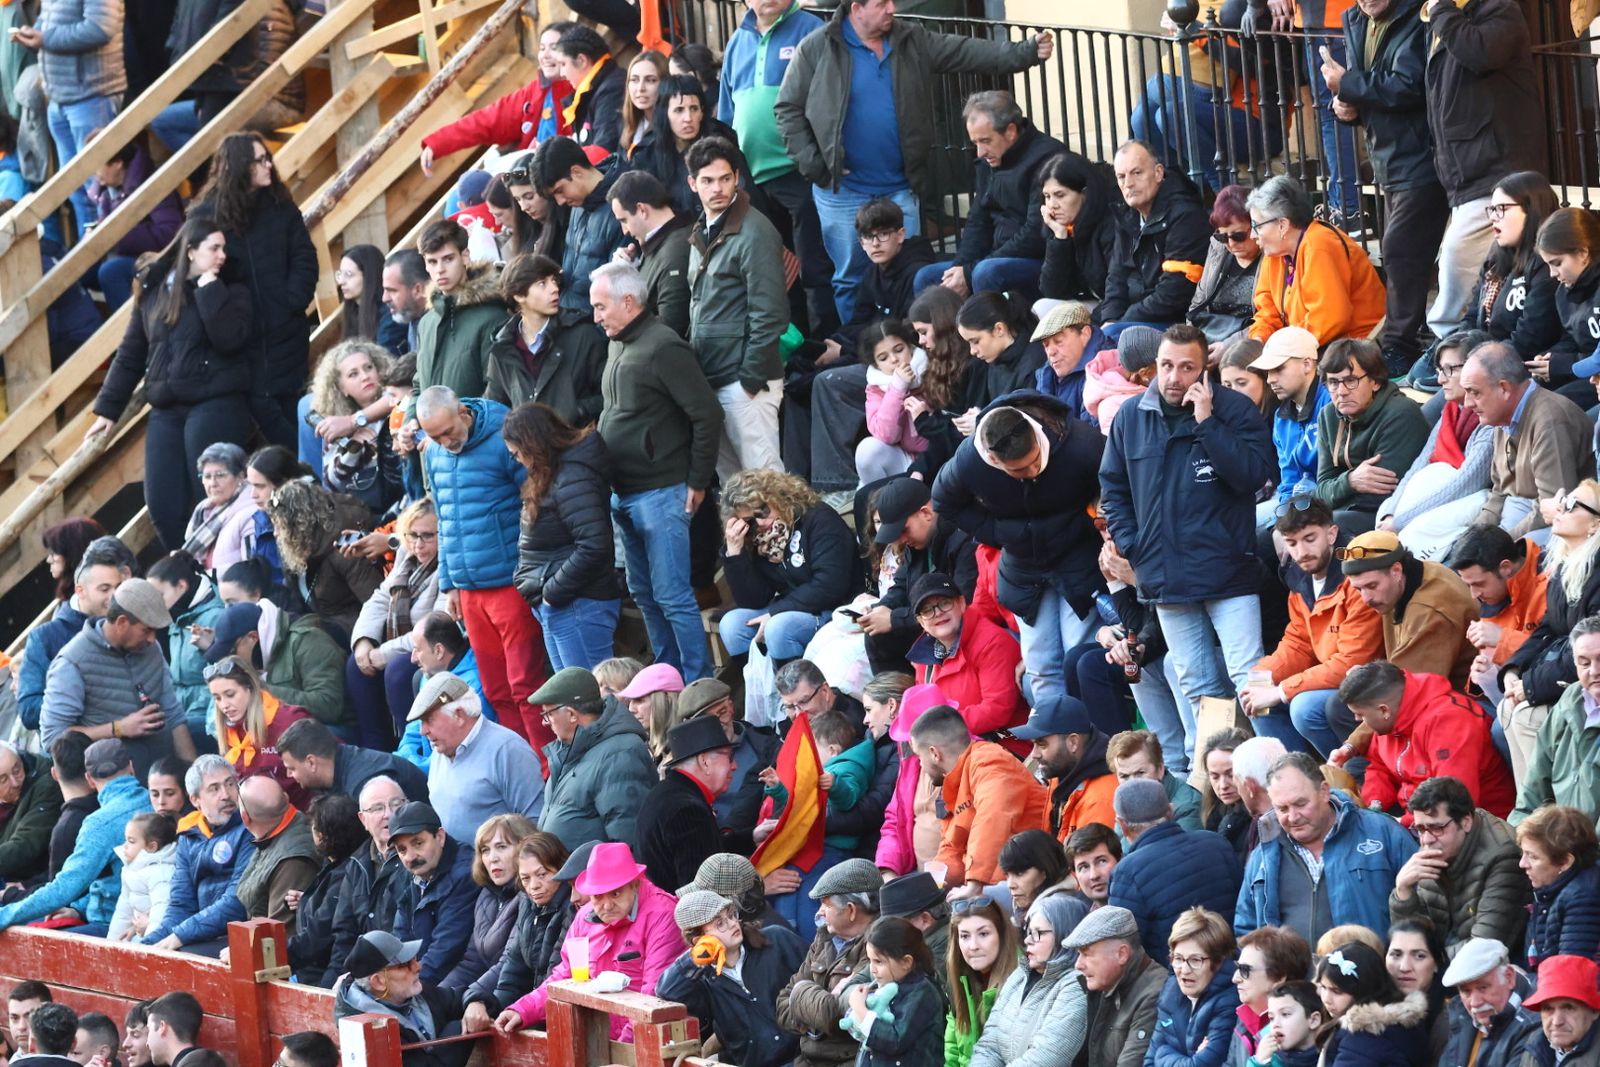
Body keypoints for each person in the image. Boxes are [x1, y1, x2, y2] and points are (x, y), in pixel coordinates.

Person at [772, 0, 1053, 320]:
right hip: (843, 191)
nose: (892, 8)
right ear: (856, 8)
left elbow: (965, 51)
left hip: (901, 185)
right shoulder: (818, 47)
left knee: (910, 273)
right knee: (851, 279)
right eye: (881, 4)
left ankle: (910, 349)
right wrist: (815, 165)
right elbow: (786, 109)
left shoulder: (912, 40)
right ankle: (859, 353)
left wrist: (1024, 53)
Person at [1099, 324, 1276, 748]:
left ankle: (1274, 767)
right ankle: (1224, 783)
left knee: (1249, 677)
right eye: (1166, 366)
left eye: (1186, 368)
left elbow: (1253, 475)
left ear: (1205, 369)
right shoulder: (1131, 415)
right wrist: (1133, 545)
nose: (1175, 377)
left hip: (1227, 571)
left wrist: (1207, 424)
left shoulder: (1232, 410)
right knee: (1197, 683)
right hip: (1166, 577)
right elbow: (1113, 487)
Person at [932, 391, 1104, 717]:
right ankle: (1056, 742)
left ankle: (1087, 739)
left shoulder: (1080, 442)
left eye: (1035, 459)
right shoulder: (971, 459)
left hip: (1077, 558)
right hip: (1023, 568)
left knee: (1077, 655)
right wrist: (996, 533)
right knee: (1040, 664)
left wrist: (1094, 520)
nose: (1033, 470)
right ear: (995, 461)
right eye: (1020, 470)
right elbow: (944, 500)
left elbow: (1115, 480)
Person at [87, 216, 253, 550]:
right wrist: (107, 409)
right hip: (165, 405)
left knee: (206, 492)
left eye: (224, 248)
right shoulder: (154, 292)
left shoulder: (232, 288)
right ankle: (187, 572)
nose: (222, 255)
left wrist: (208, 290)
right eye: (214, 248)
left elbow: (230, 340)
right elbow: (131, 354)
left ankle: (218, 569)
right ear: (190, 251)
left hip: (214, 399)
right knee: (161, 501)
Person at [591, 262, 722, 681]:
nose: (596, 316)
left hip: (662, 491)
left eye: (601, 307)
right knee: (645, 596)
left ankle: (700, 683)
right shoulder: (618, 342)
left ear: (628, 302)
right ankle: (669, 677)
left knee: (672, 596)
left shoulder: (664, 346)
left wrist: (698, 479)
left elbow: (706, 414)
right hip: (624, 492)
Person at [416, 387, 549, 751]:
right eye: (433, 437)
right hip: (470, 591)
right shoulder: (435, 454)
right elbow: (445, 520)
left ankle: (549, 769)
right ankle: (521, 763)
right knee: (494, 689)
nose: (444, 442)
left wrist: (530, 568)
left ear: (462, 411)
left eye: (447, 431)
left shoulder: (504, 435)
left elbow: (537, 500)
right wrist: (450, 584)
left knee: (527, 685)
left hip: (509, 583)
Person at [1325, 0, 1444, 371]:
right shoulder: (1356, 18)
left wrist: (1349, 84)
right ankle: (1407, 336)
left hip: (1423, 153)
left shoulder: (1419, 15)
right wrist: (1346, 106)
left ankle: (1400, 344)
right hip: (1386, 157)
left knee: (1400, 250)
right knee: (1402, 251)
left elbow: (1410, 85)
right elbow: (1369, 87)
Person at [1421, 0, 1546, 346]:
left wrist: (1441, 11)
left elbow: (1481, 53)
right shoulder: (1440, 20)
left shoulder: (1499, 8)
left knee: (1456, 258)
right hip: (1466, 173)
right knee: (1483, 267)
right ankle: (1465, 343)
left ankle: (1449, 344)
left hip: (1498, 167)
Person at [186, 135, 317, 450]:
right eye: (260, 160)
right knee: (262, 414)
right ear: (240, 166)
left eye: (267, 157)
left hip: (286, 331)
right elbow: (194, 268)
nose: (268, 165)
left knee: (292, 405)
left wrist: (292, 300)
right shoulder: (205, 214)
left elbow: (304, 256)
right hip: (239, 339)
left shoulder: (280, 206)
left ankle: (306, 478)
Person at [717, 0, 832, 335]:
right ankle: (796, 345)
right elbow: (726, 115)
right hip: (752, 176)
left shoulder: (811, 29)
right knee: (778, 270)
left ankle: (824, 342)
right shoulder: (737, 41)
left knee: (814, 266)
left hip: (800, 171)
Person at [1240, 497, 1383, 756]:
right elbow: (1298, 642)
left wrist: (1283, 690)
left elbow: (1352, 661)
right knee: (1257, 699)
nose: (1301, 552)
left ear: (1331, 534)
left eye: (1309, 538)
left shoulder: (1357, 578)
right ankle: (1293, 781)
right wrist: (1263, 677)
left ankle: (1347, 778)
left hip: (1366, 679)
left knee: (1303, 707)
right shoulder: (1298, 579)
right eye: (1292, 543)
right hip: (1330, 677)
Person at [494, 842, 681, 1040]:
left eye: (616, 893)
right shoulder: (584, 917)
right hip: (597, 1037)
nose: (607, 905)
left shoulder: (662, 914)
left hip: (645, 1043)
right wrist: (522, 1010)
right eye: (598, 896)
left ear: (634, 885)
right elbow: (564, 976)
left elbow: (654, 996)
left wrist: (623, 1051)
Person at [681, 137, 788, 481]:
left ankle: (788, 538)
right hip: (713, 378)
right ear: (692, 183)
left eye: (725, 178)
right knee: (736, 490)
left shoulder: (754, 231)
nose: (718, 188)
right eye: (708, 180)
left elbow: (770, 312)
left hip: (745, 382)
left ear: (737, 177)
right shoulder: (702, 229)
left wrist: (750, 379)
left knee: (767, 486)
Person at [1235, 752, 1418, 942]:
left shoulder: (1382, 833)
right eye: (1282, 809)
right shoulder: (1263, 856)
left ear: (1324, 791)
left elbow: (1423, 904)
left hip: (1374, 969)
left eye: (1300, 803)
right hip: (1292, 972)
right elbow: (1246, 930)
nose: (1293, 816)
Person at [40, 578, 198, 780]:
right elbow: (53, 737)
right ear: (122, 622)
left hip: (166, 784)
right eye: (146, 630)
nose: (152, 639)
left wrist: (193, 776)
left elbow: (173, 715)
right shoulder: (72, 663)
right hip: (119, 788)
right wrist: (118, 728)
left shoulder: (150, 649)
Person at [503, 402, 620, 672]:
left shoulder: (572, 477)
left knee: (593, 698)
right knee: (574, 703)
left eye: (518, 452)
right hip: (560, 603)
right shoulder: (551, 474)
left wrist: (553, 593)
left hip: (578, 603)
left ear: (534, 445)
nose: (517, 459)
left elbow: (594, 545)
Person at [914, 91, 1065, 299]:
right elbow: (978, 220)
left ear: (1011, 131)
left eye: (985, 140)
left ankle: (991, 331)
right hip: (996, 255)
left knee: (985, 272)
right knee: (927, 278)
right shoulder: (990, 160)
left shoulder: (1048, 158)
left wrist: (969, 271)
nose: (979, 152)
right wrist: (960, 267)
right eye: (975, 142)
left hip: (1040, 260)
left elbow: (1035, 233)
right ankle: (945, 332)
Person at [1500, 485, 1600, 778]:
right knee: (1508, 711)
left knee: (1526, 716)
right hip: (1571, 675)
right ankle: (1531, 815)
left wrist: (1530, 685)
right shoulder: (1569, 563)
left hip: (1589, 678)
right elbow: (1549, 628)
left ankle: (1560, 819)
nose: (1561, 509)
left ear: (1595, 524)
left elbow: (1593, 647)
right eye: (1563, 502)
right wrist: (1514, 670)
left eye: (1572, 505)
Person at [0, 740, 149, 934]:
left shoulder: (99, 823)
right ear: (131, 766)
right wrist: (78, 909)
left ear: (90, 780)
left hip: (112, 926)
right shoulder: (153, 800)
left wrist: (4, 915)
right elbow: (119, 879)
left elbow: (63, 889)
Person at [1375, 331, 1497, 558]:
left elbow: (1467, 483)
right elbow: (1420, 463)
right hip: (1440, 495)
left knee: (1411, 534)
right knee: (1382, 516)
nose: (1441, 379)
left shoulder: (1491, 419)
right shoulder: (1451, 408)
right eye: (1440, 370)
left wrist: (1401, 520)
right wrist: (1392, 512)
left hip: (1477, 498)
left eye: (1450, 369)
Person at [654, 890, 808, 1067]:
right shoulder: (702, 980)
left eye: (731, 914)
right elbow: (665, 991)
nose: (733, 923)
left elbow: (819, 976)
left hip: (805, 1057)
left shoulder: (777, 938)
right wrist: (693, 959)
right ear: (700, 940)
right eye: (720, 923)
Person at [1341, 665, 1514, 819]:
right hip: (1420, 814)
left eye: (1361, 714)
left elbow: (1452, 803)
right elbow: (1379, 766)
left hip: (1475, 824)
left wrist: (1399, 824)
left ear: (1383, 710)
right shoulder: (1392, 718)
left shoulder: (1450, 721)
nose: (1358, 720)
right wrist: (1374, 806)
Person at [909, 705, 1046, 898]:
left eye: (918, 757)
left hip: (1032, 879)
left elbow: (993, 816)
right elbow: (951, 848)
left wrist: (975, 882)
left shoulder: (989, 760)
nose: (920, 765)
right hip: (998, 883)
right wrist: (929, 887)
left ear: (934, 753)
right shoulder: (952, 784)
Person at [1385, 775, 1527, 955]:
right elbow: (1414, 938)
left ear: (1466, 822)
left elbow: (1484, 951)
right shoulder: (1434, 845)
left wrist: (1425, 960)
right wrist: (1403, 893)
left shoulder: (1503, 857)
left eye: (1437, 828)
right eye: (1420, 829)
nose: (1426, 839)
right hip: (1448, 962)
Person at [1106, 778, 1240, 967]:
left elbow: (1126, 949)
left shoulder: (1126, 873)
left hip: (1180, 983)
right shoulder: (1217, 843)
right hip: (1234, 972)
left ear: (1123, 824)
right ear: (1170, 811)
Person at [1337, 530, 1480, 697]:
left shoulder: (1429, 611)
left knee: (1338, 707)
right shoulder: (1413, 576)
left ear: (1396, 570)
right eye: (1358, 589)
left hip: (1466, 701)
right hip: (1429, 690)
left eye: (1372, 586)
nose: (1366, 599)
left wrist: (1367, 684)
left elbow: (1407, 696)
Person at [1246, 177, 1385, 348]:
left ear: (1282, 225)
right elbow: (1267, 309)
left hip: (1353, 348)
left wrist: (1282, 349)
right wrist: (1259, 339)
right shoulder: (1275, 252)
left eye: (1257, 226)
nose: (1253, 235)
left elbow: (1330, 318)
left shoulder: (1319, 245)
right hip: (1310, 345)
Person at [528, 667, 656, 852]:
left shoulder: (620, 754)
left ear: (572, 714)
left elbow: (629, 840)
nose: (544, 722)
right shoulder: (568, 750)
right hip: (571, 879)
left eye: (548, 714)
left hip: (601, 879)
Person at [347, 499, 441, 750]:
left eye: (428, 537)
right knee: (356, 666)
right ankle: (376, 751)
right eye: (413, 536)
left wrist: (382, 653)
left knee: (399, 670)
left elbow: (434, 626)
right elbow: (380, 598)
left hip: (434, 645)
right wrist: (364, 642)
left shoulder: (447, 566)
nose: (419, 545)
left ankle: (410, 748)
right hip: (404, 643)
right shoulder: (407, 556)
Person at [418, 21, 572, 172]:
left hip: (559, 176)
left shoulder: (581, 89)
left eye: (554, 48)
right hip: (529, 175)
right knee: (463, 190)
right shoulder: (536, 91)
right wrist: (437, 143)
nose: (545, 55)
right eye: (542, 48)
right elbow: (488, 120)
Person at [460, 831, 574, 1032]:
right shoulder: (527, 903)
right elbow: (513, 970)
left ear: (562, 869)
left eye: (542, 874)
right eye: (525, 878)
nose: (534, 886)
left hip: (558, 1014)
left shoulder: (572, 908)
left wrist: (518, 1013)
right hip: (530, 1008)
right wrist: (485, 1004)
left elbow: (556, 979)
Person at [1313, 338, 1430, 534]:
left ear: (1375, 382)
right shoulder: (1328, 416)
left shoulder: (1401, 413)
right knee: (1285, 529)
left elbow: (1379, 492)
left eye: (1351, 381)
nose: (1341, 392)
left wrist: (1338, 488)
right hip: (1348, 509)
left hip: (1393, 514)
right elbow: (1321, 489)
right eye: (1333, 382)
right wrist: (1350, 481)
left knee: (1324, 528)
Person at [408, 675, 542, 844]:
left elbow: (536, 825)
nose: (423, 731)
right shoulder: (440, 751)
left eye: (428, 720)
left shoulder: (508, 749)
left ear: (459, 715)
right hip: (454, 867)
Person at [901, 573, 1026, 754]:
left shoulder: (993, 642)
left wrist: (940, 728)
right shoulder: (923, 659)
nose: (938, 613)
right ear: (921, 622)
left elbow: (997, 709)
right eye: (927, 611)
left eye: (944, 603)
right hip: (953, 750)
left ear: (961, 603)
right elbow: (923, 711)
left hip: (1004, 746)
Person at [774, 860, 882, 1067]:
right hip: (807, 1060)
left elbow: (837, 1015)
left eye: (826, 904)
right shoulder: (823, 939)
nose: (819, 912)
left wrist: (802, 995)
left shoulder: (880, 945)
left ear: (851, 910)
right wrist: (817, 1013)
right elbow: (783, 1004)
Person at [139, 756, 251, 954]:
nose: (226, 795)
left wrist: (179, 935)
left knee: (177, 957)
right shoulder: (189, 837)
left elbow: (237, 902)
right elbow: (181, 905)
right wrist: (147, 944)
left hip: (237, 935)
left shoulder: (250, 829)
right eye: (214, 789)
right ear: (195, 800)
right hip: (199, 934)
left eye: (231, 784)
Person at [1095, 141, 1209, 333]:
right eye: (1121, 177)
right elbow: (1116, 277)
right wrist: (1111, 318)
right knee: (1076, 333)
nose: (1128, 184)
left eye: (1137, 173)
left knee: (1107, 334)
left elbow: (1174, 293)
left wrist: (1120, 323)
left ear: (1158, 173)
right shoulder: (1127, 214)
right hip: (1135, 315)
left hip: (1175, 321)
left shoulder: (1185, 215)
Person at [484, 255, 606, 427]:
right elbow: (494, 406)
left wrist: (575, 411)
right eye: (542, 283)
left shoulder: (583, 334)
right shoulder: (503, 346)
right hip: (527, 449)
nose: (554, 288)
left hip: (576, 445)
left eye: (554, 281)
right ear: (518, 294)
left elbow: (609, 395)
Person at [262, 481, 385, 641]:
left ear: (300, 525)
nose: (276, 534)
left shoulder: (345, 551)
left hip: (354, 632)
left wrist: (362, 640)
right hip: (320, 627)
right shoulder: (294, 548)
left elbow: (378, 607)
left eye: (280, 527)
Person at [18, 553, 124, 735]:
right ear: (80, 591)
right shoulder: (45, 637)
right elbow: (28, 710)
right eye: (105, 589)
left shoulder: (126, 621)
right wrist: (78, 700)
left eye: (118, 587)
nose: (114, 596)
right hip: (76, 751)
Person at [333, 930, 472, 1067]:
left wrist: (475, 1002)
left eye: (414, 960)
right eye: (403, 965)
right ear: (378, 982)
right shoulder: (371, 1033)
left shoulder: (412, 993)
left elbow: (457, 997)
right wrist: (457, 1032)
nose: (418, 966)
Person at [1512, 616, 1600, 821]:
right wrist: (1520, 833)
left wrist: (1577, 849)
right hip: (1560, 842)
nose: (1594, 671)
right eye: (1584, 663)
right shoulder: (1568, 703)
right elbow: (1533, 791)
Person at [1469, 172, 1564, 359]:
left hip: (1515, 366)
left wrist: (1478, 361)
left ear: (1532, 209)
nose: (1493, 217)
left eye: (1502, 208)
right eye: (1492, 209)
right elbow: (1471, 316)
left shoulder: (1547, 265)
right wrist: (1460, 350)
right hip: (1485, 358)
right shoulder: (1495, 258)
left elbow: (1530, 338)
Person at [438, 812, 534, 991]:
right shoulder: (486, 895)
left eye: (502, 847)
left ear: (525, 849)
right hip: (488, 994)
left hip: (514, 1001)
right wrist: (439, 996)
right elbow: (471, 963)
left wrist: (474, 998)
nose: (492, 858)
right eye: (485, 850)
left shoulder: (530, 896)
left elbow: (509, 964)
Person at [531, 137, 626, 316]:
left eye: (560, 190)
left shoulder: (621, 205)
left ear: (576, 172)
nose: (559, 202)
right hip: (569, 319)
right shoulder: (577, 204)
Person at [305, 341, 402, 517]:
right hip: (371, 514)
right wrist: (354, 449)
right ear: (341, 389)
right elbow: (332, 484)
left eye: (368, 367)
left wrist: (355, 421)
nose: (365, 376)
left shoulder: (396, 397)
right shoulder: (338, 424)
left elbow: (397, 397)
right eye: (353, 374)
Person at [87, 135, 184, 309]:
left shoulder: (152, 183)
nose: (93, 171)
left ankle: (130, 330)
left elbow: (170, 232)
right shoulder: (104, 190)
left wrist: (117, 236)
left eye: (97, 164)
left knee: (110, 271)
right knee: (82, 271)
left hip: (157, 257)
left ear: (117, 163)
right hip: (123, 253)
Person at [204, 656, 312, 810]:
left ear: (251, 688)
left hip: (299, 816)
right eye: (217, 698)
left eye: (230, 694)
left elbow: (326, 764)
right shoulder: (230, 730)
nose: (224, 705)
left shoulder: (289, 720)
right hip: (255, 820)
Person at [410, 220, 503, 399]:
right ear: (426, 265)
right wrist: (411, 420)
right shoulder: (426, 322)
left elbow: (496, 390)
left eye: (448, 259)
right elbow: (419, 385)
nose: (440, 269)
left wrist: (465, 422)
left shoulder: (493, 317)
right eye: (432, 262)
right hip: (430, 426)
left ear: (465, 257)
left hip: (475, 425)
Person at [1062, 907, 1166, 1067]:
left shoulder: (1154, 994)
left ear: (1122, 954)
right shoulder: (1103, 983)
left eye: (1086, 953)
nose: (1078, 965)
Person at [1013, 693, 1118, 844]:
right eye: (1033, 744)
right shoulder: (1063, 770)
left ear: (1073, 742)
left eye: (1042, 744)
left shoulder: (1101, 800)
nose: (1034, 754)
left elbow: (1089, 865)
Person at [285, 793, 367, 986]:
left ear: (323, 836)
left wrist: (267, 959)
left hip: (320, 978)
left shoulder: (347, 873)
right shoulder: (336, 864)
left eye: (314, 828)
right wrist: (308, 900)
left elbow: (318, 935)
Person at [1448, 525, 1548, 680]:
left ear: (1505, 567)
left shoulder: (1554, 582)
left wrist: (1504, 639)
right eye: (1468, 585)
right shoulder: (1492, 596)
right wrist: (1487, 671)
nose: (1474, 595)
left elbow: (1566, 653)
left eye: (1479, 584)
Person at [1314, 940, 1430, 1066]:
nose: (1326, 998)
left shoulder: (1363, 1039)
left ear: (1363, 990)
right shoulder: (1399, 1024)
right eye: (1323, 987)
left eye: (1337, 991)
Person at [607, 170, 692, 338]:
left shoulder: (675, 253)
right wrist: (627, 274)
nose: (625, 231)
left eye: (624, 220)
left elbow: (671, 329)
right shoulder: (658, 243)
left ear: (641, 210)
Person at [1516, 805, 1600, 968]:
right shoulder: (1550, 888)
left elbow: (1570, 976)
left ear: (1565, 862)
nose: (1522, 864)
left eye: (1533, 856)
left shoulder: (1582, 898)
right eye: (1523, 853)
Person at [275, 717, 429, 804]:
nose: (289, 775)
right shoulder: (340, 768)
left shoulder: (365, 787)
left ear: (311, 762)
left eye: (292, 768)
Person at [1437, 938, 1540, 1067]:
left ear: (1509, 977)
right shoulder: (1461, 1015)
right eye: (1466, 991)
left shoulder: (1534, 1025)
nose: (1475, 1003)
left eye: (1483, 987)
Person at [233, 775, 319, 930]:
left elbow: (279, 934)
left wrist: (239, 949)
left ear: (245, 818)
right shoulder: (274, 834)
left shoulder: (293, 860)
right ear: (286, 797)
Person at [1037, 151, 1122, 306]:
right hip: (1095, 302)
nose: (1052, 205)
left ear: (1085, 194)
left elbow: (1118, 290)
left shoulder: (1110, 223)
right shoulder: (1063, 227)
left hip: (1114, 307)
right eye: (1047, 196)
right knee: (1043, 306)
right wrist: (1060, 237)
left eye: (1060, 195)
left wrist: (1096, 323)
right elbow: (1052, 291)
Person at [942, 896, 1017, 1067]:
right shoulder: (958, 980)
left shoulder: (1021, 981)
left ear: (1002, 935)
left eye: (983, 934)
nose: (973, 946)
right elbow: (952, 1053)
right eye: (965, 936)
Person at [855, 320, 931, 484]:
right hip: (904, 458)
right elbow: (886, 436)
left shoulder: (931, 370)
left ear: (910, 346)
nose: (894, 360)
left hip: (937, 456)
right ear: (876, 364)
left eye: (899, 350)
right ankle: (880, 502)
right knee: (867, 450)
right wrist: (897, 388)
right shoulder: (875, 387)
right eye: (883, 358)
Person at [1187, 185, 1260, 351]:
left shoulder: (1272, 257)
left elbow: (1274, 320)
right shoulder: (1219, 251)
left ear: (1257, 226)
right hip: (1210, 342)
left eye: (1239, 235)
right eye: (1222, 236)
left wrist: (1227, 347)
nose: (1231, 244)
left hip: (1250, 346)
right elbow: (1196, 307)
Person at [1230, 925, 1315, 1064]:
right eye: (1237, 968)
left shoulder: (1296, 1032)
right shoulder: (1243, 1018)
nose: (1235, 978)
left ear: (1279, 978)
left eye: (1245, 970)